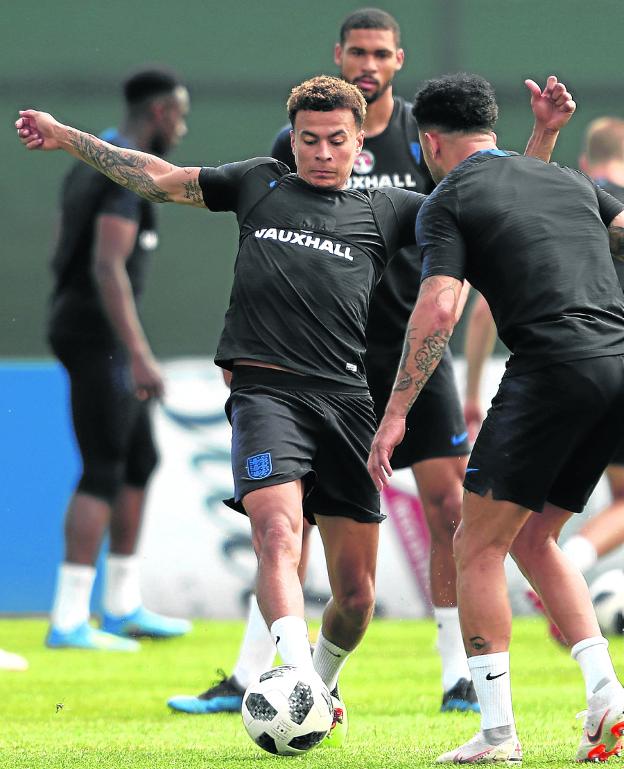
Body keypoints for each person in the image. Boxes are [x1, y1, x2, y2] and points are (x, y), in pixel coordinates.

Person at [166, 8, 576, 718]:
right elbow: (230, 226)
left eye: (379, 52)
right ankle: (263, 673)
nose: (367, 63)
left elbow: (494, 205)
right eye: (356, 50)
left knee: (444, 510)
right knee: (282, 523)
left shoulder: (424, 144)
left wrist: (541, 137)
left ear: (395, 65)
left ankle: (453, 671)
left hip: (411, 351)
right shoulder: (284, 162)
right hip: (313, 361)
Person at [368, 72, 624, 764]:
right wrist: (544, 138)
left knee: (474, 545)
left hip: (551, 369)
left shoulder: (445, 198)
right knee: (536, 537)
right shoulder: (572, 180)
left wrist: (395, 413)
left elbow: (441, 309)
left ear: (428, 143)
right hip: (617, 367)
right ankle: (607, 696)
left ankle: (498, 734)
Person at [36, 68, 192, 651]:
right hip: (98, 333)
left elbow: (60, 249)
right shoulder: (124, 172)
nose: (183, 125)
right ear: (158, 113)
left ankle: (123, 605)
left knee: (139, 458)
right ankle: (69, 618)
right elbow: (107, 266)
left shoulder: (88, 163)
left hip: (85, 325)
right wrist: (139, 354)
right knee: (103, 466)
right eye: (179, 114)